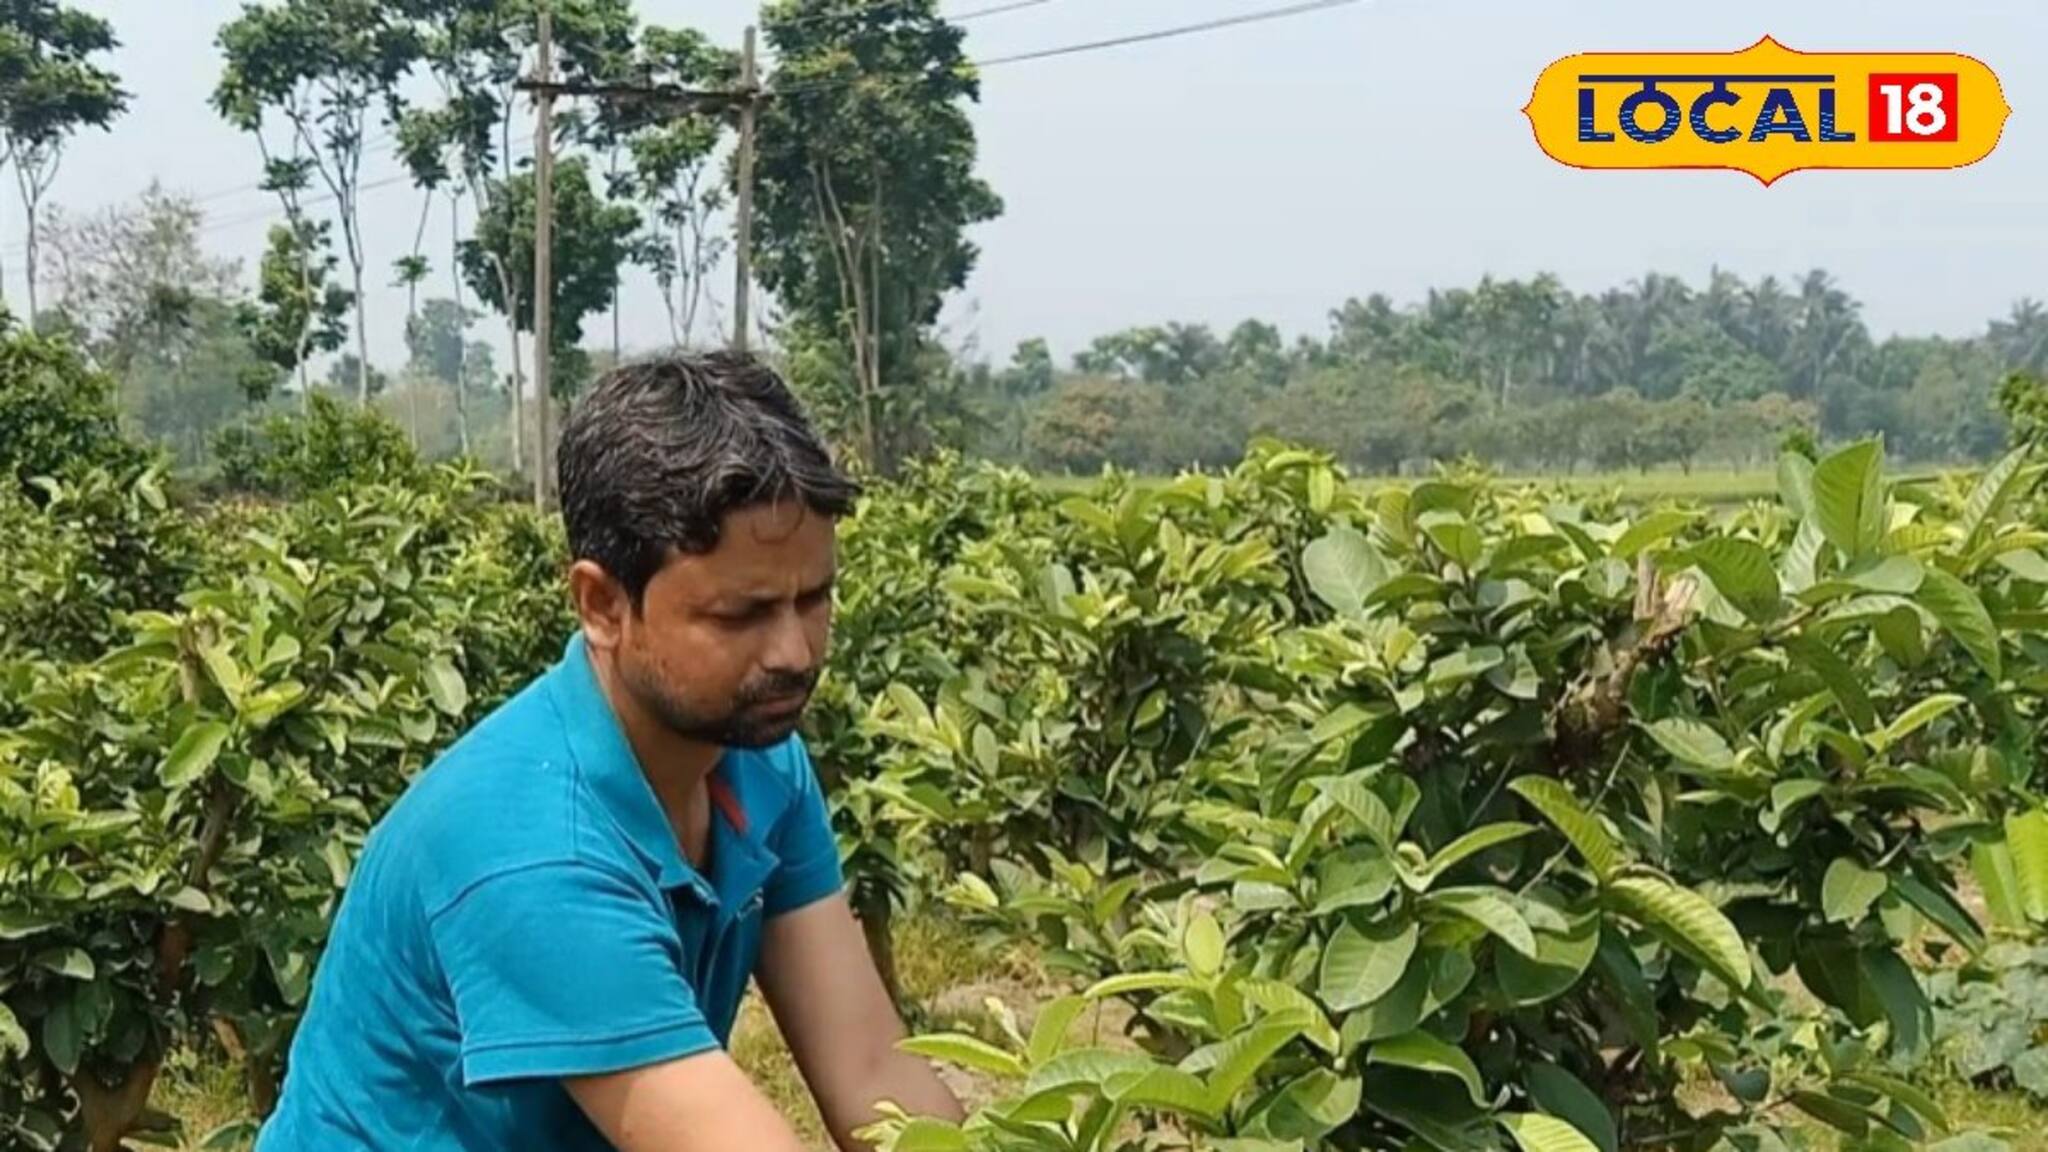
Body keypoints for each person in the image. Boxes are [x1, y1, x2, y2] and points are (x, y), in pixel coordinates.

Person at [256, 352, 965, 1150]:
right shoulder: (529, 850)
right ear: (601, 603)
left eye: (814, 598)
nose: (794, 652)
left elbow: (873, 1072)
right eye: (741, 614)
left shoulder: (758, 762)